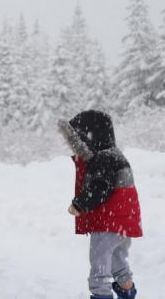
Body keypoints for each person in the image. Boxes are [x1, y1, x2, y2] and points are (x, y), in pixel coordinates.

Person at [58, 110, 142, 299]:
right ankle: (126, 289)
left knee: (100, 261)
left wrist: (79, 204)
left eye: (77, 140)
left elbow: (100, 188)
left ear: (89, 137)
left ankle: (101, 294)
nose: (75, 147)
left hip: (108, 221)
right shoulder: (115, 155)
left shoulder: (104, 158)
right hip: (122, 222)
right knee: (116, 258)